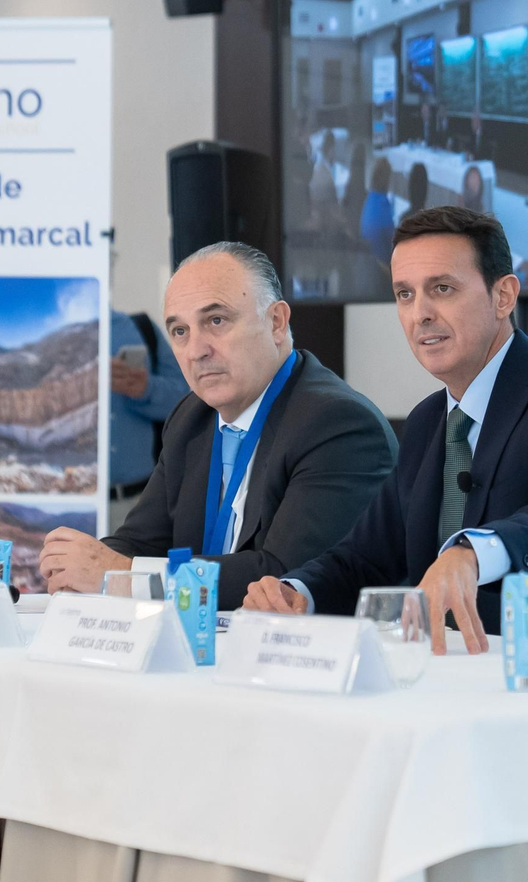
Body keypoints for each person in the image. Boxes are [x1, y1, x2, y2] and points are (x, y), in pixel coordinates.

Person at [244, 205, 528, 652]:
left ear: (503, 296)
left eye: (441, 289)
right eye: (404, 294)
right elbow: (363, 558)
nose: (419, 313)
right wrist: (296, 592)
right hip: (451, 677)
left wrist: (470, 554)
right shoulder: (427, 422)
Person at [38, 242, 397, 608]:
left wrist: (120, 577)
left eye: (216, 321)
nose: (196, 350)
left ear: (276, 322)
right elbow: (138, 542)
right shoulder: (191, 419)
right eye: (180, 331)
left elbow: (280, 578)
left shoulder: (338, 425)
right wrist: (83, 571)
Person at [108, 307, 188, 529]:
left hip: (138, 504)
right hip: (66, 505)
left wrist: (146, 390)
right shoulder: (51, 334)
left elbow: (187, 400)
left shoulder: (139, 328)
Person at [359, 156, 396, 264]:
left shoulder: (369, 198)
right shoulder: (383, 204)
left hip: (367, 261)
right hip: (380, 265)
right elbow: (392, 240)